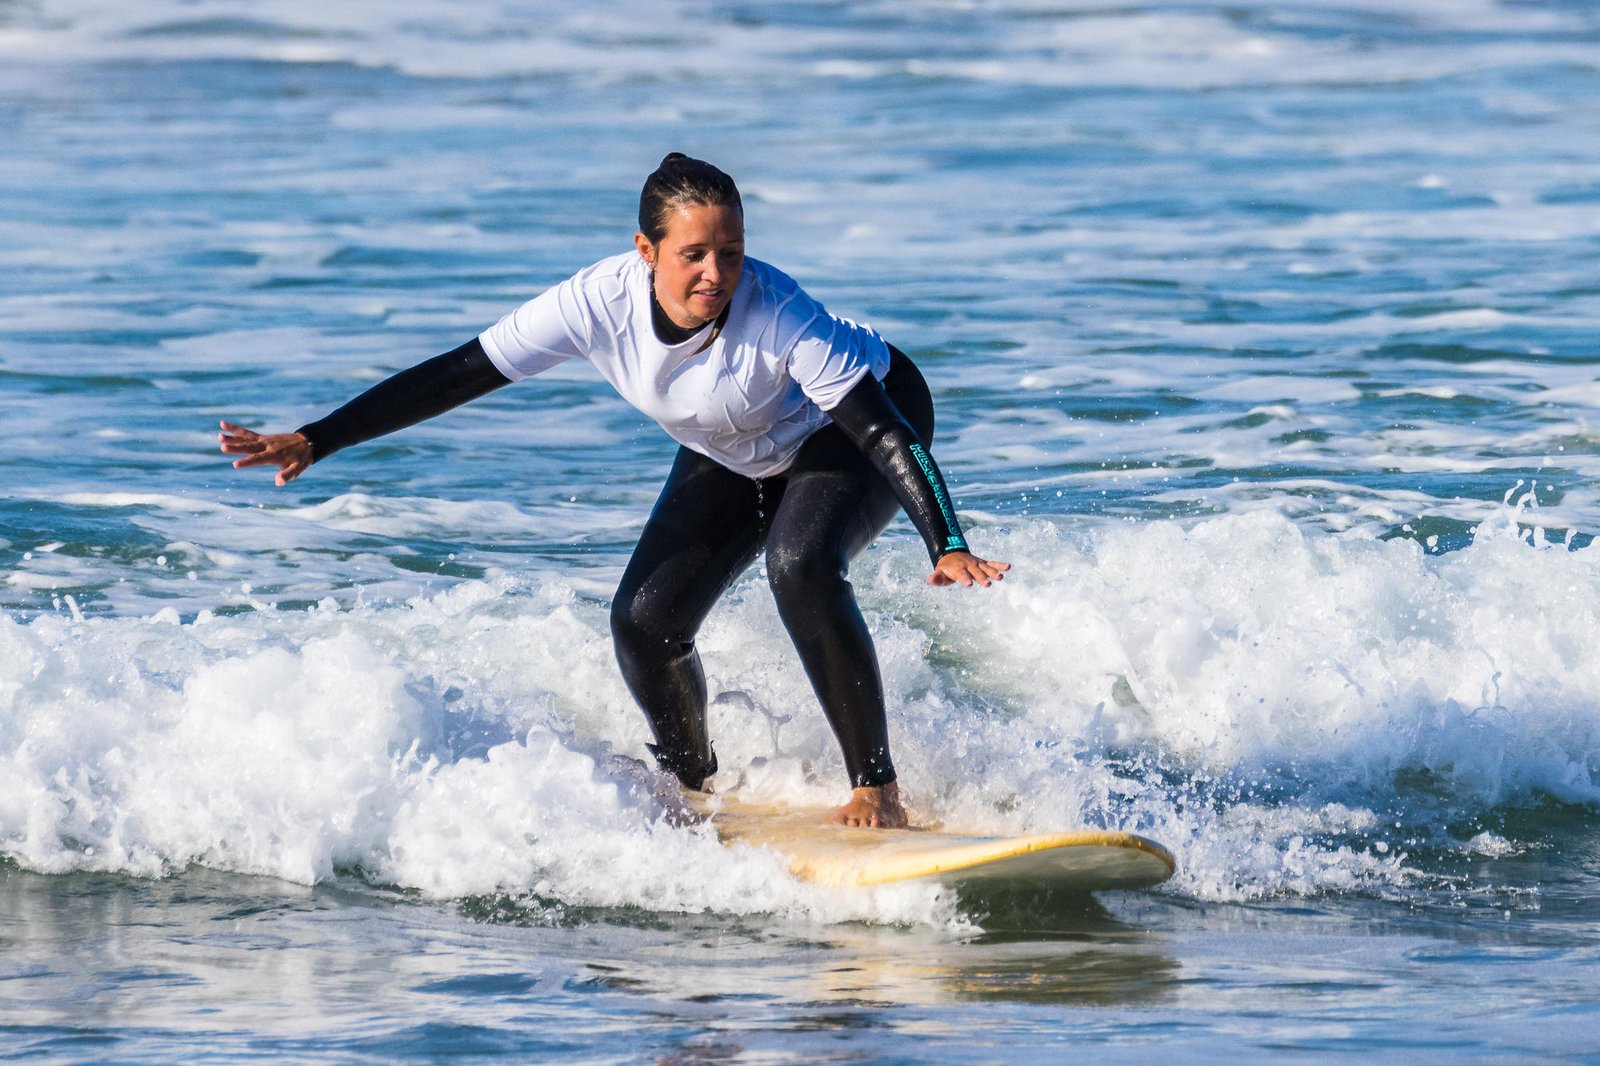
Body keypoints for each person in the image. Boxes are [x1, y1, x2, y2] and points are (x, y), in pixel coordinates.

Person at [220, 153, 1009, 829]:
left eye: (732, 253)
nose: (717, 274)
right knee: (644, 622)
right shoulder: (595, 303)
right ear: (646, 250)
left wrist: (946, 540)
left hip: (856, 422)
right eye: (695, 254)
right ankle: (694, 785)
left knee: (799, 564)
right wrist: (320, 437)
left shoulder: (781, 315)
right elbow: (461, 373)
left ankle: (876, 785)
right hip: (729, 441)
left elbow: (882, 432)